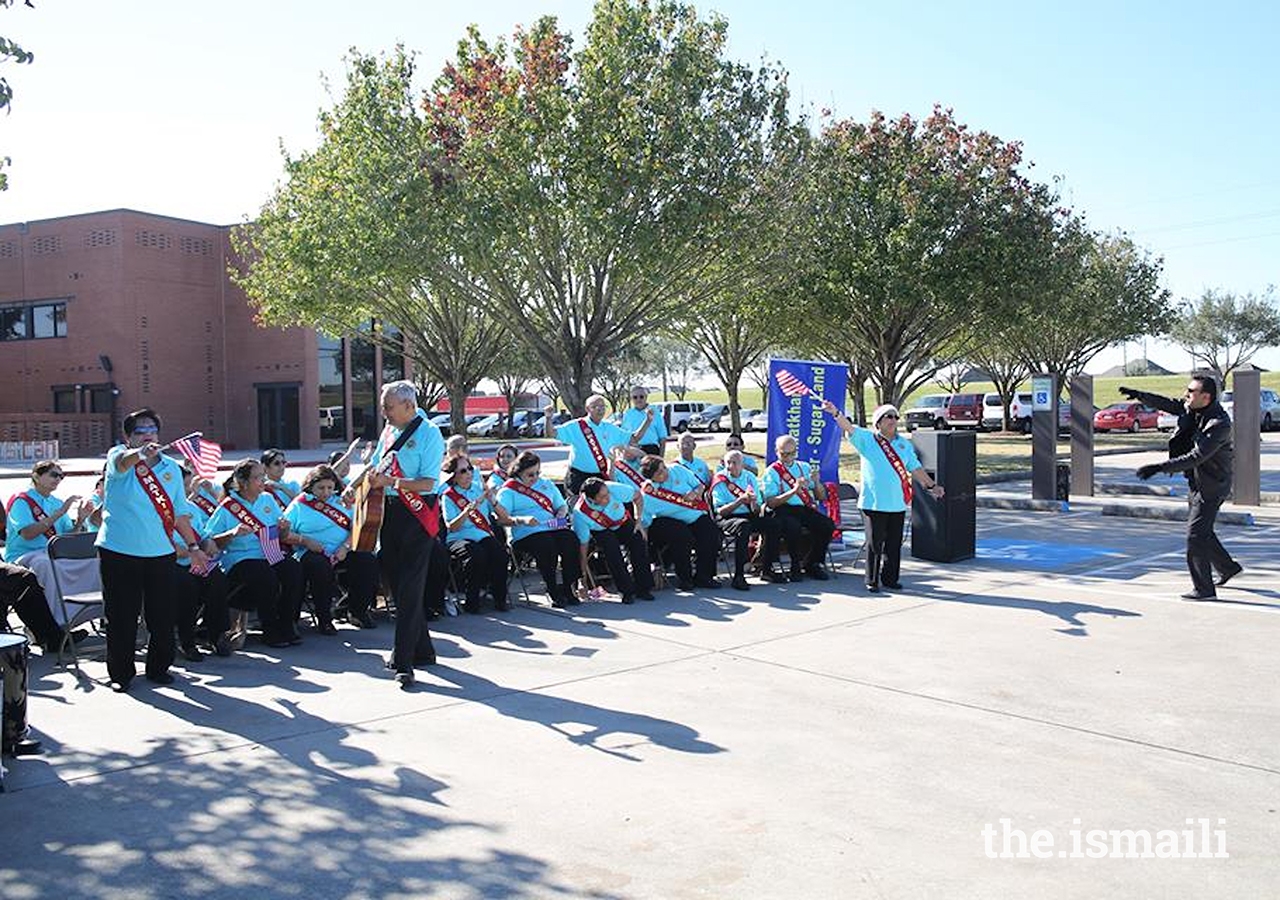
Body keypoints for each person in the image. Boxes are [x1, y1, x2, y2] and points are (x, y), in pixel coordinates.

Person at [97, 408, 211, 692]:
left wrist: (194, 547)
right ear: (128, 436)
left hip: (160, 551)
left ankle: (159, 667)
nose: (147, 435)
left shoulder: (172, 469)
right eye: (139, 431)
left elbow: (180, 514)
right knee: (122, 615)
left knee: (161, 614)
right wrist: (140, 454)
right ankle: (121, 674)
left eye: (152, 430)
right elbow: (123, 463)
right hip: (120, 550)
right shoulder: (118, 458)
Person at [350, 380, 445, 687]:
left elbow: (428, 483)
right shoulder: (389, 431)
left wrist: (391, 483)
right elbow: (377, 465)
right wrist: (353, 487)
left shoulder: (429, 433)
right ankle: (424, 649)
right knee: (394, 580)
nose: (383, 411)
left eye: (388, 406)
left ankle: (404, 661)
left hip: (418, 514)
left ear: (408, 405)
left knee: (410, 586)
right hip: (389, 512)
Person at [1122, 377, 1240, 600]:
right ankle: (1227, 567)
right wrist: (1140, 395)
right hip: (1197, 481)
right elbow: (1169, 403)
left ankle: (1204, 589)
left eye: (1191, 391)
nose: (1186, 394)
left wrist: (1159, 467)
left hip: (1212, 486)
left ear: (1206, 397)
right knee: (1202, 531)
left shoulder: (1219, 424)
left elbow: (1198, 456)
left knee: (1195, 535)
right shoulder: (1192, 408)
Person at [822, 401, 944, 592]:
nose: (893, 420)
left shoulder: (903, 444)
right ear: (878, 422)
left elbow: (915, 467)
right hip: (873, 503)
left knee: (894, 544)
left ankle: (890, 578)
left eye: (896, 417)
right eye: (889, 416)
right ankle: (872, 580)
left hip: (896, 503)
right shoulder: (868, 439)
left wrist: (931, 485)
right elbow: (848, 427)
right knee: (874, 543)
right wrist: (835, 412)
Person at [203, 459, 304, 649]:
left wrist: (284, 529)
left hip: (268, 553)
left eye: (263, 477)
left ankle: (287, 624)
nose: (263, 482)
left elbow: (280, 533)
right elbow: (211, 541)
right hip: (240, 559)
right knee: (265, 574)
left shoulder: (267, 499)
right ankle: (270, 630)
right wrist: (232, 533)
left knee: (293, 569)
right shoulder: (228, 507)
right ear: (243, 482)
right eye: (257, 478)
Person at [1, 461, 90, 653]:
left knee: (90, 563)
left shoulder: (56, 502)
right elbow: (27, 533)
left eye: (61, 476)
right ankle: (53, 627)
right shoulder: (22, 501)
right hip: (25, 554)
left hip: (54, 552)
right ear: (36, 476)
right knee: (46, 566)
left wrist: (81, 519)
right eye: (53, 475)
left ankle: (77, 617)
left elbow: (67, 537)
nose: (58, 479)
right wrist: (59, 514)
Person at [496, 450, 582, 608]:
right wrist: (521, 519)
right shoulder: (508, 491)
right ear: (519, 472)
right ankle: (552, 589)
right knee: (545, 543)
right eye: (530, 475)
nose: (534, 478)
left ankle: (569, 587)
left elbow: (561, 505)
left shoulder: (545, 483)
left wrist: (561, 514)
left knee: (570, 540)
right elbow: (501, 519)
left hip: (551, 526)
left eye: (537, 473)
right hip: (526, 532)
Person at [173, 462, 231, 660]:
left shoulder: (190, 508)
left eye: (189, 486)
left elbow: (203, 533)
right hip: (170, 563)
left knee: (218, 580)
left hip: (195, 559)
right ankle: (186, 642)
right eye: (184, 487)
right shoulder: (156, 509)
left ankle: (215, 634)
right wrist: (185, 553)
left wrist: (208, 544)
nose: (188, 491)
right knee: (187, 586)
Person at [639, 455, 722, 591]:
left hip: (692, 513)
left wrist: (695, 493)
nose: (665, 472)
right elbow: (645, 521)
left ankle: (704, 576)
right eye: (659, 472)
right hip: (668, 520)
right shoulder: (649, 493)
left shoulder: (677, 469)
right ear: (651, 477)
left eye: (664, 468)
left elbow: (700, 485)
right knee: (682, 536)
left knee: (710, 530)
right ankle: (685, 578)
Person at [760, 435, 835, 582]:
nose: (788, 457)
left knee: (826, 525)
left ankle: (813, 563)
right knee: (792, 526)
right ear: (777, 452)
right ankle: (794, 565)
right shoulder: (772, 472)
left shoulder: (804, 467)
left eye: (791, 453)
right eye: (784, 454)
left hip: (801, 508)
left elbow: (821, 496)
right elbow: (771, 502)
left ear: (796, 452)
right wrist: (793, 491)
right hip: (782, 508)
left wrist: (817, 482)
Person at [440, 455, 510, 614]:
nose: (468, 473)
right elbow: (452, 526)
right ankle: (472, 602)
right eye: (463, 471)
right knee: (476, 556)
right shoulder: (448, 496)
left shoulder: (479, 490)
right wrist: (467, 511)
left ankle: (500, 598)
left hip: (482, 534)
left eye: (470, 469)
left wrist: (492, 499)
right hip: (459, 537)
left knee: (500, 554)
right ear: (454, 476)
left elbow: (504, 517)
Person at [712, 450, 787, 590]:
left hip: (747, 515)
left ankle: (767, 569)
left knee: (774, 524)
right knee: (744, 526)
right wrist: (740, 501)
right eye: (728, 462)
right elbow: (720, 510)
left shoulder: (749, 477)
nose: (731, 466)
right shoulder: (720, 479)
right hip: (727, 517)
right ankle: (739, 575)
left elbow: (757, 509)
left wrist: (753, 504)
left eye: (735, 463)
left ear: (742, 465)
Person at [572, 476, 654, 604]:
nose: (608, 498)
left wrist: (638, 520)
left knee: (638, 539)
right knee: (611, 549)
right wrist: (581, 579)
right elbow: (583, 546)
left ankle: (644, 588)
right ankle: (626, 591)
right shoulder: (581, 513)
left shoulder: (613, 488)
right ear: (591, 499)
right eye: (602, 497)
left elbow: (638, 496)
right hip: (601, 530)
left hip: (622, 522)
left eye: (607, 494)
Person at [550, 394, 640, 495]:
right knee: (578, 507)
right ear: (587, 408)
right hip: (578, 477)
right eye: (595, 406)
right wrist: (548, 418)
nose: (600, 409)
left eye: (602, 406)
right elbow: (552, 433)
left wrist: (648, 421)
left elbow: (634, 438)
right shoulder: (577, 426)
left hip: (600, 476)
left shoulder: (609, 427)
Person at [621, 386, 668, 455]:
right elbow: (624, 437)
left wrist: (661, 458)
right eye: (635, 397)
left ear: (646, 397)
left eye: (641, 396)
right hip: (633, 451)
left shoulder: (654, 412)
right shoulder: (628, 414)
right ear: (631, 399)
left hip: (651, 450)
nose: (638, 399)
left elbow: (662, 437)